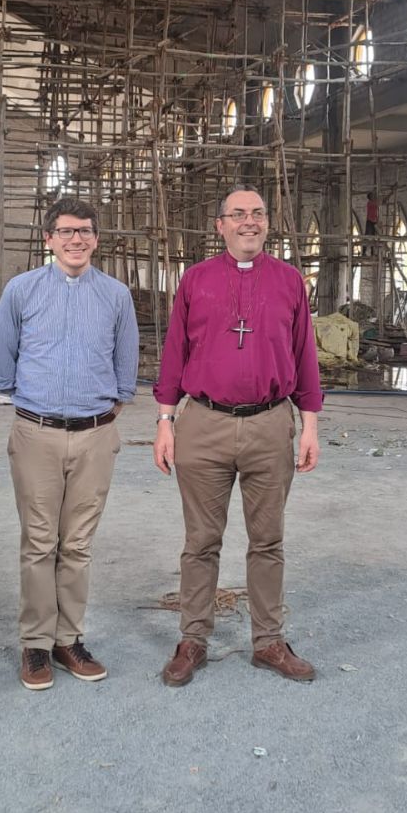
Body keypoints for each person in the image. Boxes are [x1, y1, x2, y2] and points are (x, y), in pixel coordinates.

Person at [153, 184, 322, 686]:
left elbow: (305, 354)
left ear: (267, 223)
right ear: (220, 225)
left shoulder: (290, 281)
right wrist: (165, 421)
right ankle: (193, 639)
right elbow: (174, 352)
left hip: (271, 423)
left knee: (268, 539)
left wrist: (309, 423)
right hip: (203, 422)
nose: (250, 222)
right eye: (238, 214)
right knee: (201, 540)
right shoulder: (197, 280)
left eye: (258, 214)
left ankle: (268, 641)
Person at [0, 197, 138, 691]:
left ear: (97, 238)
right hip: (37, 433)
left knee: (77, 544)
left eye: (86, 231)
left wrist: (112, 404)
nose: (77, 239)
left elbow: (126, 357)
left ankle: (67, 639)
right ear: (48, 238)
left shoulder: (116, 294)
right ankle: (34, 644)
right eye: (66, 231)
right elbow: (3, 354)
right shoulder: (22, 290)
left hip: (96, 435)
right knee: (39, 541)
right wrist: (30, 400)